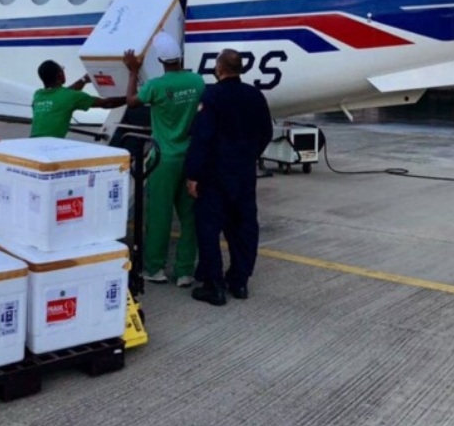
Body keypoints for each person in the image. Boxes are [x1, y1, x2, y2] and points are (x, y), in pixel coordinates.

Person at [185, 49, 273, 306]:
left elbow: (202, 138)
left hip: (215, 175)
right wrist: (249, 155)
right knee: (244, 227)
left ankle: (214, 285)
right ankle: (240, 281)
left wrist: (192, 174)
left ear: (220, 68)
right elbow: (266, 132)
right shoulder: (255, 95)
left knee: (209, 229)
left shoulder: (212, 96)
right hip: (244, 174)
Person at [123, 32, 204, 287]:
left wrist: (133, 71)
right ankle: (184, 271)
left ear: (160, 60)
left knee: (159, 216)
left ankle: (154, 268)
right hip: (190, 156)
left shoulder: (155, 86)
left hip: (162, 158)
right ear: (180, 57)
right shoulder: (197, 81)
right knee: (189, 216)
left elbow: (131, 101)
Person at [31, 60, 125, 138]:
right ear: (60, 75)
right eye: (63, 69)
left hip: (32, 143)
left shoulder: (38, 95)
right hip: (52, 145)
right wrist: (131, 97)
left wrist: (84, 80)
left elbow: (62, 94)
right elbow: (107, 104)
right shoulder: (70, 96)